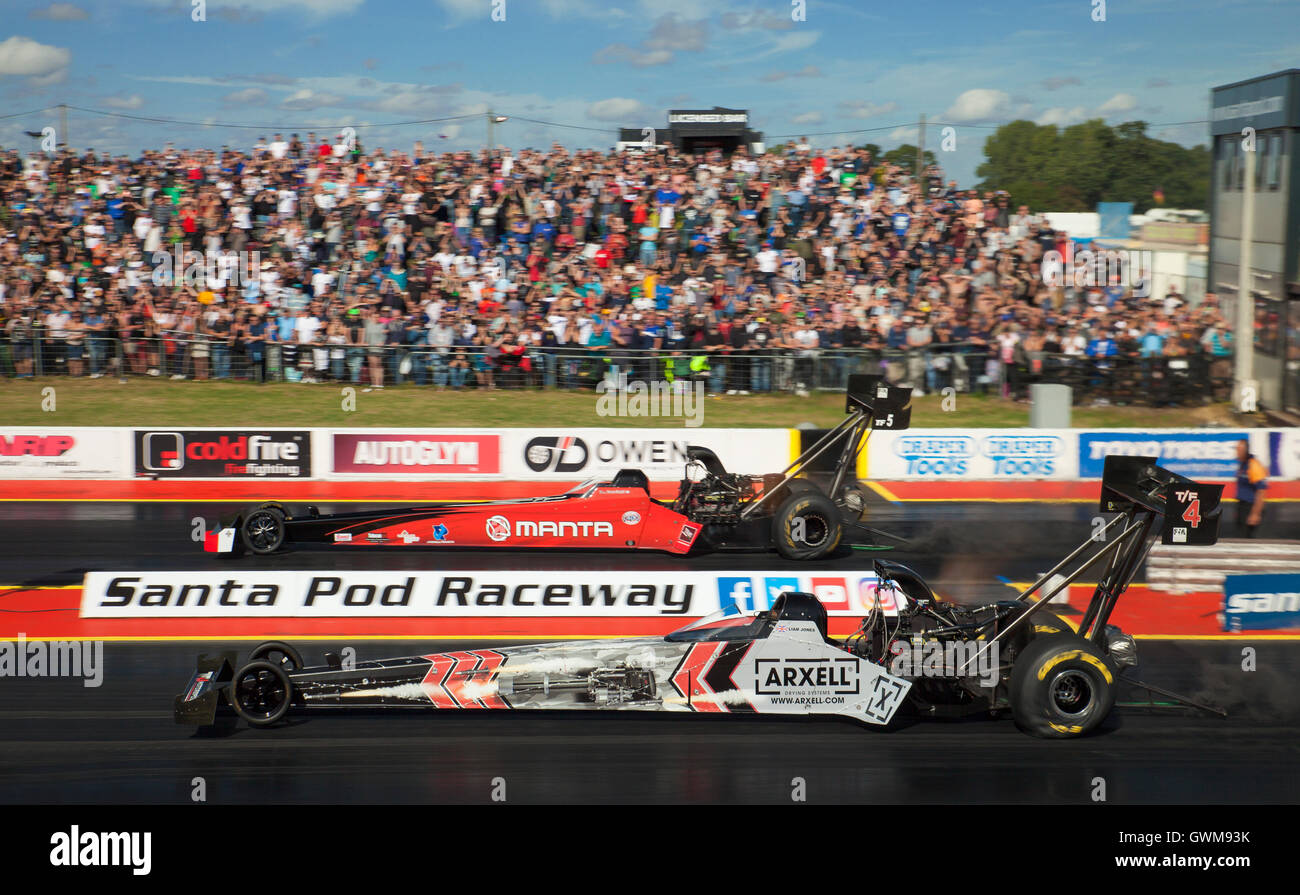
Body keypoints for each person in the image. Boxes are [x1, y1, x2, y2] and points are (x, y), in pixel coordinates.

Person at [1235, 440, 1267, 538]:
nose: (1237, 452)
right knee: (1241, 537)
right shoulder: (1242, 465)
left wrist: (1255, 514)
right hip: (1242, 506)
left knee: (1248, 539)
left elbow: (1261, 491)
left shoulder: (1254, 465)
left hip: (1251, 507)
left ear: (1245, 450)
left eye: (1239, 450)